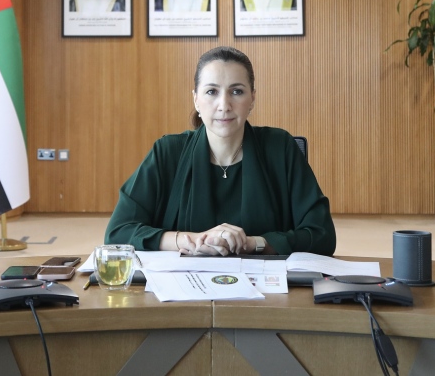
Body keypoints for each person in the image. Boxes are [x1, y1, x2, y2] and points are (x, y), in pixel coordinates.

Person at [105, 46, 335, 256]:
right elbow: (118, 233)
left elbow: (322, 234)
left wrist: (253, 243)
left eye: (236, 92)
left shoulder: (280, 147)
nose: (224, 105)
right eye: (211, 92)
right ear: (196, 99)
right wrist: (190, 240)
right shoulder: (167, 151)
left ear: (252, 98)